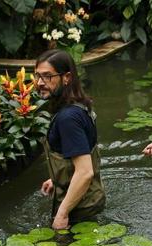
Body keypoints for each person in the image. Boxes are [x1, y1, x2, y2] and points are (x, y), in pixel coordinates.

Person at [35, 49, 106, 229]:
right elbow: (80, 154)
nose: (39, 83)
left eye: (47, 76)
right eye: (37, 76)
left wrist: (62, 214)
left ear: (66, 77)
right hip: (89, 201)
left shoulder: (68, 118)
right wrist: (57, 179)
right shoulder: (79, 107)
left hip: (79, 210)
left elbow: (84, 172)